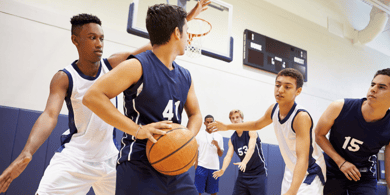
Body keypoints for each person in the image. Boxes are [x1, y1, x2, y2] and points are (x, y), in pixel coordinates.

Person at [0, 1, 208, 193]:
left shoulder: (114, 64)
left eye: (101, 38)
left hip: (110, 158)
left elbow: (159, 46)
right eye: (92, 38)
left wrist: (184, 21)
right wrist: (27, 152)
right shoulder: (65, 77)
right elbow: (49, 115)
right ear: (75, 40)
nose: (99, 43)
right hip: (77, 157)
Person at [82, 2, 210, 194]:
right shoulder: (137, 65)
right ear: (177, 33)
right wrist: (137, 130)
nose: (188, 37)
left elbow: (196, 114)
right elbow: (92, 96)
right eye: (187, 31)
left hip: (176, 166)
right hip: (139, 163)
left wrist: (186, 140)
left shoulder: (185, 76)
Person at [209, 68, 326, 195]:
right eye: (277, 85)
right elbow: (256, 124)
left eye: (287, 87)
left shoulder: (301, 117)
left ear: (298, 91)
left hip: (310, 171)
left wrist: (292, 191)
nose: (280, 90)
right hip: (291, 169)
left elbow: (302, 158)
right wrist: (227, 127)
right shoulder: (273, 109)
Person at [315, 68, 390, 195]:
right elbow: (318, 135)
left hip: (363, 174)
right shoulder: (339, 106)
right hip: (332, 168)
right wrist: (341, 162)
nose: (373, 89)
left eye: (382, 87)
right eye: (372, 84)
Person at [212, 109, 267, 195]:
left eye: (237, 117)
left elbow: (251, 148)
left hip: (258, 173)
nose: (235, 120)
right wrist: (222, 170)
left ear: (242, 118)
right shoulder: (232, 139)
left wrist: (244, 162)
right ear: (230, 121)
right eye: (232, 118)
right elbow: (228, 156)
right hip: (243, 174)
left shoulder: (251, 130)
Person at [194, 114, 224, 195]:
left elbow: (220, 154)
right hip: (201, 166)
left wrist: (217, 146)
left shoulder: (219, 136)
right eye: (208, 122)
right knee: (198, 191)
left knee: (213, 192)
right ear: (204, 123)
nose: (209, 123)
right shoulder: (199, 135)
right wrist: (195, 163)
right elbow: (195, 150)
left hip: (214, 167)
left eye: (211, 122)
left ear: (213, 122)